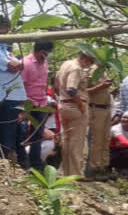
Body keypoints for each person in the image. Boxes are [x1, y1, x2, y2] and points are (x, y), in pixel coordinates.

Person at [56, 49, 96, 176]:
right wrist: (81, 104)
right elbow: (72, 89)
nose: (89, 66)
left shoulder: (65, 64)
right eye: (89, 63)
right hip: (75, 107)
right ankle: (75, 174)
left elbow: (57, 83)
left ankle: (67, 172)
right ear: (85, 59)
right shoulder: (76, 68)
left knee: (67, 140)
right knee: (77, 142)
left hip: (63, 104)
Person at [20, 41, 53, 170]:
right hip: (27, 103)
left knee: (37, 135)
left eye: (47, 53)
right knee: (22, 134)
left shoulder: (45, 63)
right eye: (44, 53)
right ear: (37, 50)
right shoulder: (26, 63)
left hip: (41, 104)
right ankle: (22, 163)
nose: (45, 56)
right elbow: (21, 85)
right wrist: (23, 107)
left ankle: (36, 164)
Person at [0, 16, 25, 163]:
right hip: (5, 98)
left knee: (8, 135)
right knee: (6, 135)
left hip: (10, 97)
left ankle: (5, 166)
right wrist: (19, 62)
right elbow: (14, 66)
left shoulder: (5, 49)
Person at [85, 66, 114, 179]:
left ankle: (104, 166)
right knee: (96, 140)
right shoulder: (91, 70)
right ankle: (94, 168)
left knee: (105, 139)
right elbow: (85, 91)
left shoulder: (104, 71)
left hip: (106, 109)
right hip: (95, 109)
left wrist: (110, 91)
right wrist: (102, 86)